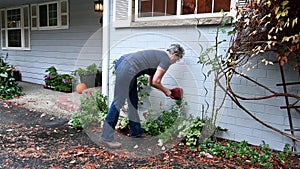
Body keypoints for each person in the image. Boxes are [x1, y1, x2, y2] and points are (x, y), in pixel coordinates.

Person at [100, 44, 185, 148]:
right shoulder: (166, 59)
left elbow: (152, 82)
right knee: (118, 102)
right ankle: (106, 137)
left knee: (133, 101)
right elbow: (157, 81)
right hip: (128, 68)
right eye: (176, 60)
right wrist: (168, 92)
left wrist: (167, 91)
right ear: (175, 55)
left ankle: (136, 132)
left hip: (124, 63)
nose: (174, 62)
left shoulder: (159, 56)